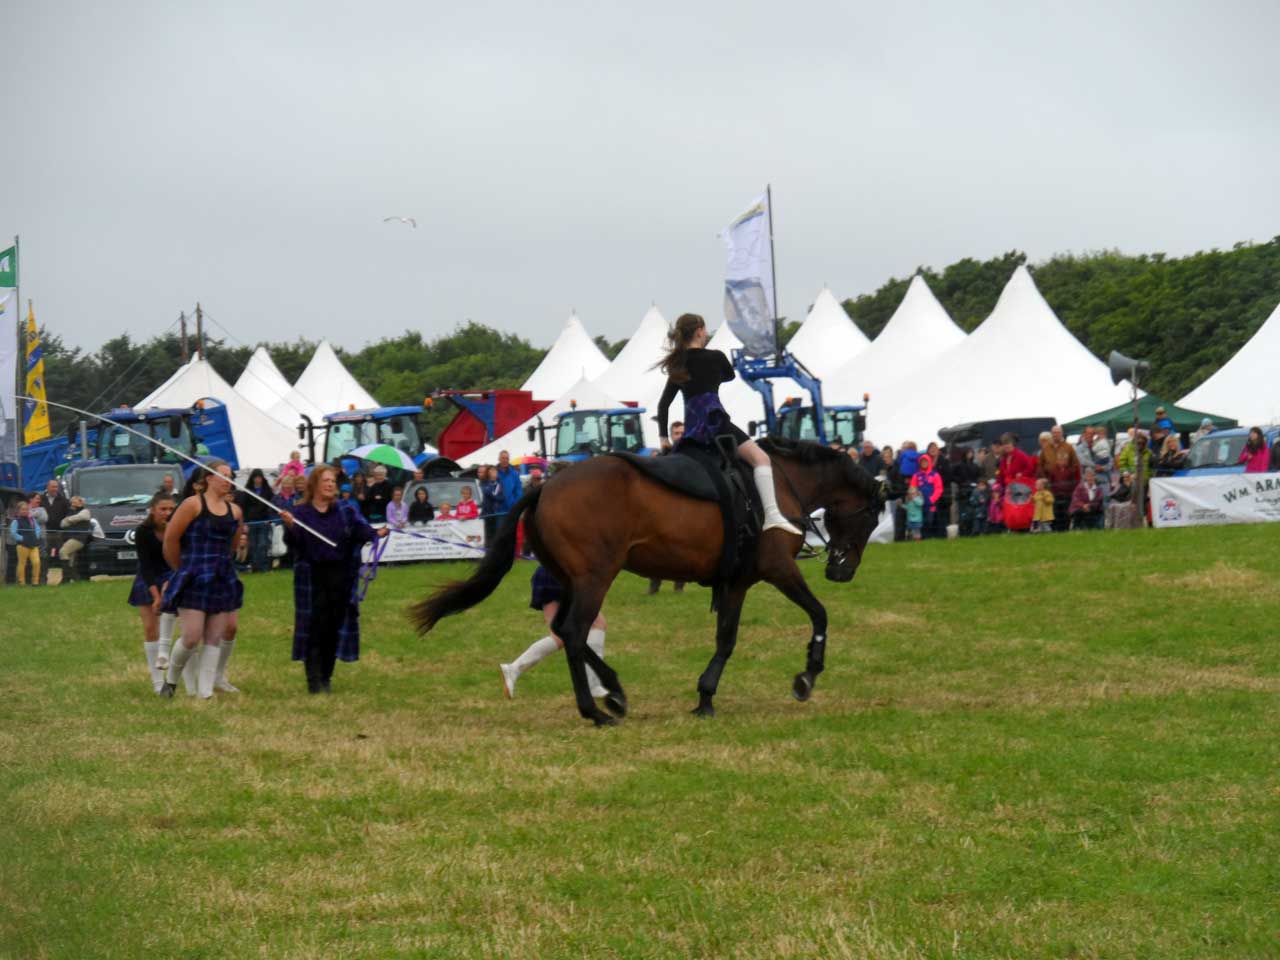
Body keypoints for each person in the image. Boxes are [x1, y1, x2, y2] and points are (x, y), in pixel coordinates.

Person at [655, 313, 801, 535]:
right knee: (761, 458)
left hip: (693, 432)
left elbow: (663, 405)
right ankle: (772, 515)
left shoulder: (678, 363)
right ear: (700, 331)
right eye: (705, 329)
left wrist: (664, 439)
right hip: (717, 424)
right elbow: (730, 376)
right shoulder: (716, 357)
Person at [281, 464, 389, 694]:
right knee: (314, 627)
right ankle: (313, 680)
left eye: (333, 481)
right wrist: (290, 527)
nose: (331, 485)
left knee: (333, 627)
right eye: (326, 481)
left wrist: (375, 533)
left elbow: (362, 530)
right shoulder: (300, 513)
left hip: (341, 575)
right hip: (312, 576)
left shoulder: (345, 510)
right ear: (314, 485)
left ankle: (326, 677)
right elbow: (293, 544)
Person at [157, 461, 244, 699]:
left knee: (215, 637)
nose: (228, 479)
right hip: (194, 575)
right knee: (192, 636)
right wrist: (181, 569)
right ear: (209, 478)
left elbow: (234, 545)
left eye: (230, 476)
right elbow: (171, 541)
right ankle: (171, 681)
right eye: (222, 475)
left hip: (221, 576)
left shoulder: (235, 511)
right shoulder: (192, 505)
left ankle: (205, 693)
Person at [499, 565, 608, 699]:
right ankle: (593, 685)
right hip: (566, 573)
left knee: (559, 636)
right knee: (597, 623)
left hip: (546, 573)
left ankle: (514, 669)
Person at [128, 492, 177, 692]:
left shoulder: (178, 527)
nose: (167, 513)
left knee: (178, 629)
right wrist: (156, 596)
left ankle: (178, 676)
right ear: (152, 510)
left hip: (172, 575)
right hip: (148, 578)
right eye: (162, 509)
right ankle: (158, 683)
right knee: (150, 629)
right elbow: (146, 566)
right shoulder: (143, 531)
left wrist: (170, 583)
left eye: (171, 509)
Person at [648, 420, 686, 594]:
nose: (679, 436)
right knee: (657, 550)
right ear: (671, 435)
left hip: (684, 509)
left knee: (682, 550)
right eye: (676, 433)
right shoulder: (662, 458)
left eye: (682, 433)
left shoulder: (690, 456)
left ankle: (679, 587)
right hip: (663, 509)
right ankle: (654, 586)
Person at [237, 468, 275, 573]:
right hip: (251, 522)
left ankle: (263, 567)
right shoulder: (247, 491)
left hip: (264, 522)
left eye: (259, 477)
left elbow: (272, 506)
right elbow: (242, 507)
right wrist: (244, 522)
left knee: (263, 544)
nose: (257, 480)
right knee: (253, 545)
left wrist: (269, 519)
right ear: (252, 479)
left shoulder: (268, 491)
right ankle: (255, 567)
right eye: (256, 478)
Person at [38, 479, 69, 584]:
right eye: (53, 487)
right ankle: (43, 579)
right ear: (47, 487)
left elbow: (67, 515)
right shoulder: (41, 499)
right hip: (45, 533)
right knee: (44, 556)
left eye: (56, 487)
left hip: (59, 533)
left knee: (63, 555)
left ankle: (65, 579)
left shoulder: (63, 500)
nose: (55, 489)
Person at [58, 495, 94, 582]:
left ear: (81, 502)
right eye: (72, 501)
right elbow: (62, 524)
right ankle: (75, 579)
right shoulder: (70, 512)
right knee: (70, 559)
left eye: (75, 501)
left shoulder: (85, 511)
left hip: (79, 538)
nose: (72, 503)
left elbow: (82, 517)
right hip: (70, 538)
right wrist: (71, 519)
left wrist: (69, 519)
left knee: (63, 552)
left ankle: (66, 579)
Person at [9, 500, 43, 585]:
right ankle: (21, 582)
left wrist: (36, 536)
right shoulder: (16, 521)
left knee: (36, 562)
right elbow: (13, 532)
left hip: (33, 544)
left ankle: (35, 581)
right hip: (22, 545)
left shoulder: (32, 520)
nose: (25, 511)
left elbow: (38, 528)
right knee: (22, 563)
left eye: (27, 509)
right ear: (18, 511)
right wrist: (22, 538)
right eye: (23, 509)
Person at [909, 452, 942, 538]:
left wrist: (932, 499)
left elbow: (939, 488)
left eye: (926, 461)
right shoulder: (916, 475)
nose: (924, 463)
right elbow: (912, 488)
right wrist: (915, 498)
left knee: (930, 521)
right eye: (922, 462)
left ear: (929, 462)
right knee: (920, 521)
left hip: (931, 503)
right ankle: (921, 538)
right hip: (919, 504)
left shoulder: (935, 474)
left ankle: (929, 537)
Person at [495, 450, 523, 515]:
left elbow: (518, 491)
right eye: (503, 458)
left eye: (507, 458)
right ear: (499, 459)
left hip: (512, 510)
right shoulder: (494, 473)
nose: (505, 460)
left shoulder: (515, 474)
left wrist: (515, 505)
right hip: (497, 512)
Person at [480, 466, 502, 543]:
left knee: (495, 534)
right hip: (486, 513)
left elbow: (501, 498)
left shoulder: (499, 485)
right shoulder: (485, 484)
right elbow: (484, 497)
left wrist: (491, 494)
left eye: (495, 471)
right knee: (486, 534)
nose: (493, 473)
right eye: (491, 471)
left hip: (495, 513)